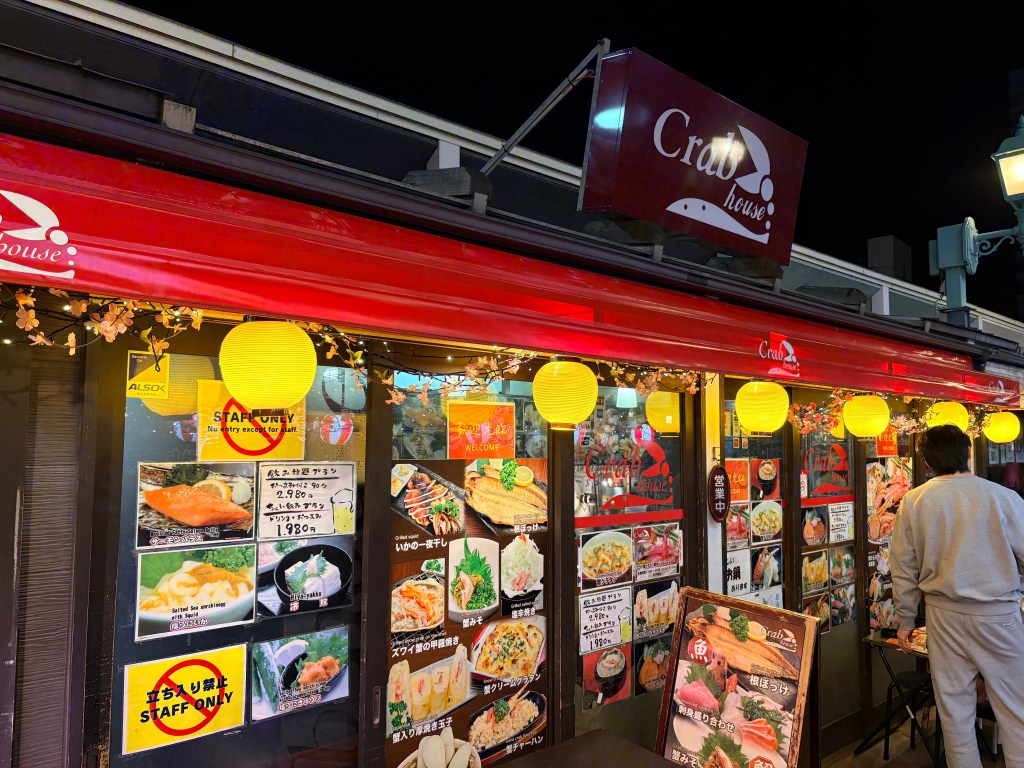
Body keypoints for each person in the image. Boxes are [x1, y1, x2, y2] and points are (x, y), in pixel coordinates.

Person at [891, 424, 1024, 768]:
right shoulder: (1002, 497)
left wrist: (906, 619)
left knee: (955, 717)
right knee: (1017, 713)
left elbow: (903, 566)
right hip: (999, 616)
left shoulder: (914, 501)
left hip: (941, 617)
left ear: (928, 462)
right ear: (968, 453)